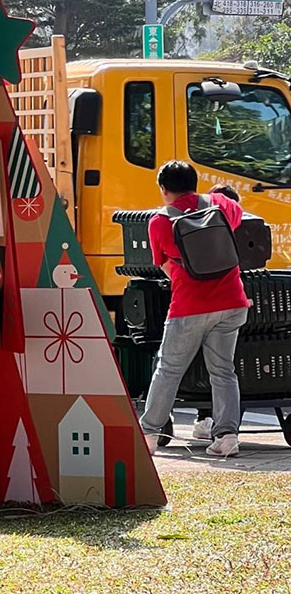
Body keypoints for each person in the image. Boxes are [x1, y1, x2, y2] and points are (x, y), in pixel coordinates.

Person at [140, 161, 250, 458]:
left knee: (168, 370)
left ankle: (149, 433)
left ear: (163, 189)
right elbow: (236, 222)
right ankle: (227, 436)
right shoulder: (220, 203)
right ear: (194, 182)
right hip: (233, 302)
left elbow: (164, 265)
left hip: (189, 306)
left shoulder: (160, 221)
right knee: (224, 371)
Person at [189, 184, 241, 442]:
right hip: (236, 309)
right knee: (223, 370)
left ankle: (202, 419)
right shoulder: (244, 233)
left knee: (172, 366)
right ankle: (227, 432)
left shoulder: (201, 233)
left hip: (201, 307)